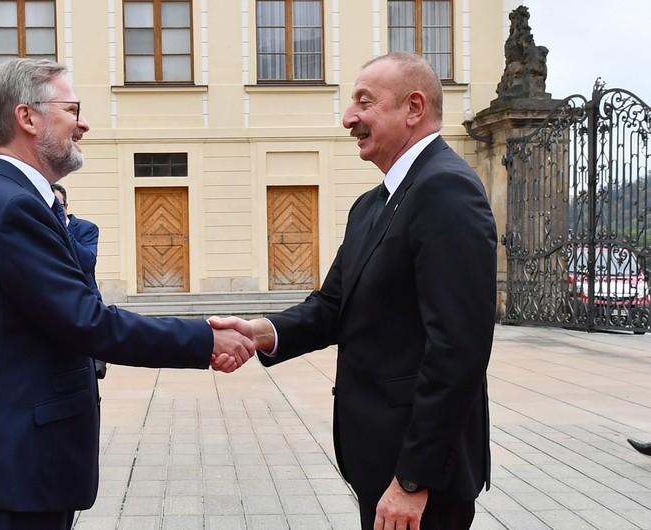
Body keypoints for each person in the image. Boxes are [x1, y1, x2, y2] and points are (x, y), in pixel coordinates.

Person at [0, 58, 253, 529]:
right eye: (73, 109)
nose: (83, 123)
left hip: (18, 470)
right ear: (27, 118)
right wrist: (206, 339)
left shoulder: (10, 199)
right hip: (13, 475)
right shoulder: (12, 208)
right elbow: (88, 322)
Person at [211, 52, 497, 529]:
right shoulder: (372, 204)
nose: (349, 118)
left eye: (364, 102)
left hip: (420, 476)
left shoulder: (447, 190)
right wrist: (260, 331)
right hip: (378, 458)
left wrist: (413, 480)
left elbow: (458, 351)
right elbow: (332, 306)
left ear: (413, 108)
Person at [51, 182, 107, 378]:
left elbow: (87, 263)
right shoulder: (38, 231)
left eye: (56, 206)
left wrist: (61, 229)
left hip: (85, 308)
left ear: (65, 207)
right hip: (54, 311)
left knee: (88, 377)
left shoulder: (86, 229)